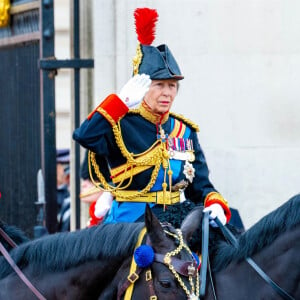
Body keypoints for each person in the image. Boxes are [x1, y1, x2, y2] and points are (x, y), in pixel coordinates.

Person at [73, 7, 232, 229]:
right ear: (142, 87)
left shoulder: (184, 130)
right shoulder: (121, 123)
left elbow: (200, 186)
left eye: (172, 86)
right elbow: (84, 136)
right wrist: (120, 102)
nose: (167, 92)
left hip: (178, 220)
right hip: (131, 223)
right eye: (159, 85)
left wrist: (214, 203)